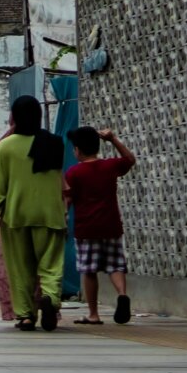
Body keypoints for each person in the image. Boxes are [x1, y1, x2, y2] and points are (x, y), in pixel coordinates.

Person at [0, 93, 67, 331]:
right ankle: (51, 298)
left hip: (16, 214)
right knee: (51, 264)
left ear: (14, 117)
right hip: (50, 214)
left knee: (20, 268)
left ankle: (26, 316)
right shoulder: (54, 142)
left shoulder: (6, 146)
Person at [64, 125, 138, 324]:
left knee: (89, 271)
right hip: (111, 225)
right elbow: (130, 160)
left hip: (87, 228)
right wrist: (113, 139)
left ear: (78, 150)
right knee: (115, 266)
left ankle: (93, 314)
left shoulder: (73, 173)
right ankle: (122, 295)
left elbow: (67, 201)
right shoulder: (110, 166)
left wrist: (63, 219)